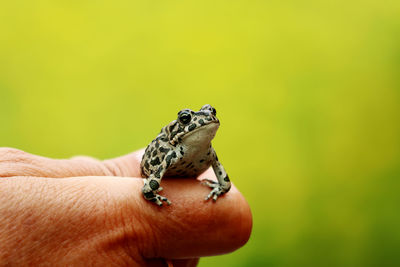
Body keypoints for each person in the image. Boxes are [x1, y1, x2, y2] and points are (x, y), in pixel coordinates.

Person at [0, 147, 252, 266]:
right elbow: (148, 184)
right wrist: (151, 192)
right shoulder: (174, 151)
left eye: (212, 116)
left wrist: (221, 187)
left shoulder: (208, 153)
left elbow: (222, 177)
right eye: (188, 119)